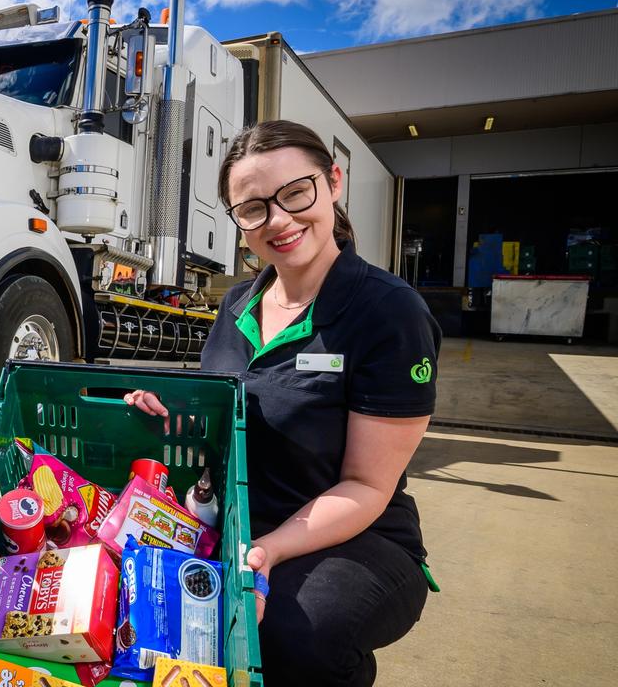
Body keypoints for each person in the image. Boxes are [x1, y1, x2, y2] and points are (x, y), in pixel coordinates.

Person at [125, 120, 439, 686]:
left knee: (297, 631)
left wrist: (266, 551)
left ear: (333, 181)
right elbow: (228, 416)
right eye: (253, 209)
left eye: (296, 193)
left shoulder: (389, 312)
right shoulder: (237, 306)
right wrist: (171, 409)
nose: (279, 219)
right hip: (241, 521)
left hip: (353, 536)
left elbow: (368, 486)